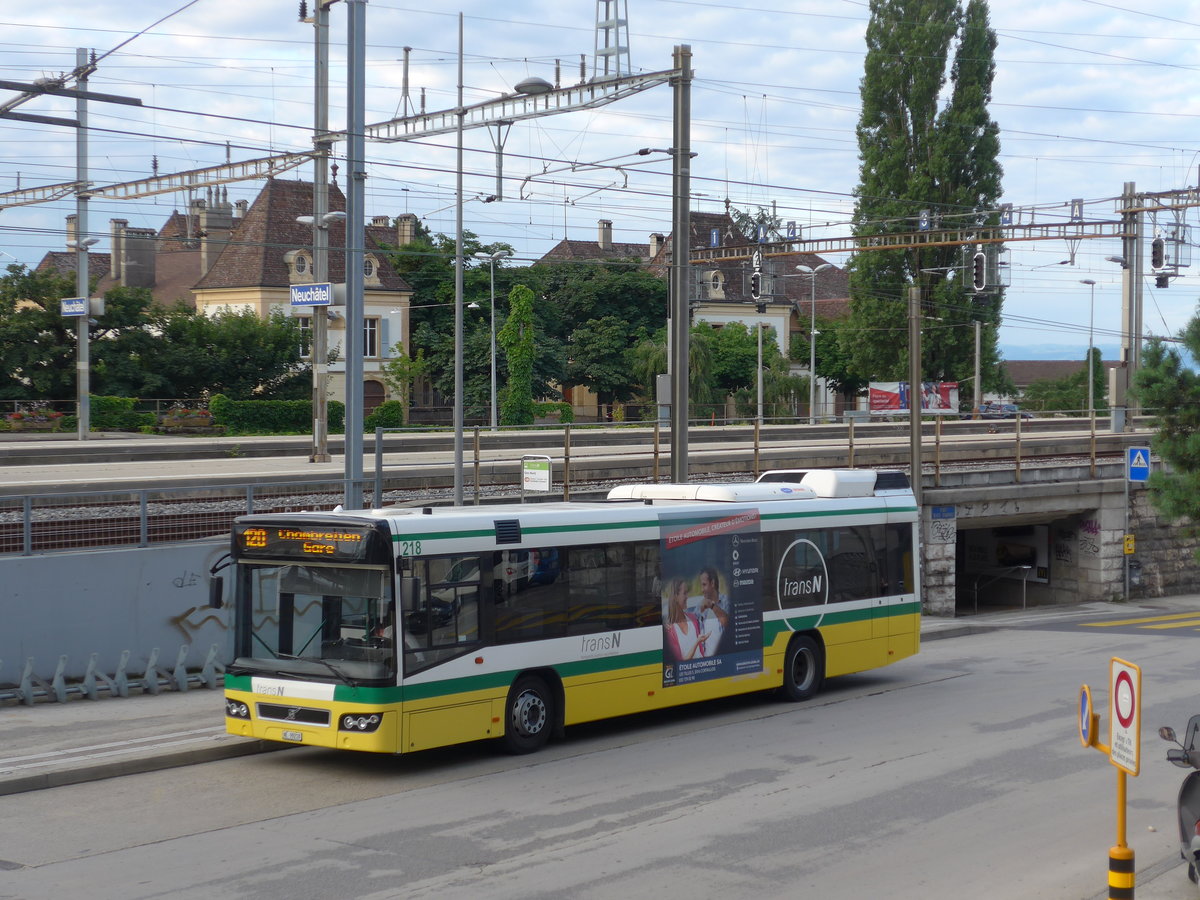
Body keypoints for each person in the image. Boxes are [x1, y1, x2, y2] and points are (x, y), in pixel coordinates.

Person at [663, 577, 708, 662]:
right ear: (676, 597)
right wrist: (697, 642)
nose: (687, 597)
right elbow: (680, 661)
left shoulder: (693, 618)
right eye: (685, 593)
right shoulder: (670, 629)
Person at [695, 566, 730, 657]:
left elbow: (730, 624)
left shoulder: (727, 601)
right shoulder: (699, 606)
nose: (702, 590)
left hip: (726, 657)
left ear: (713, 583)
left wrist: (712, 606)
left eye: (704, 585)